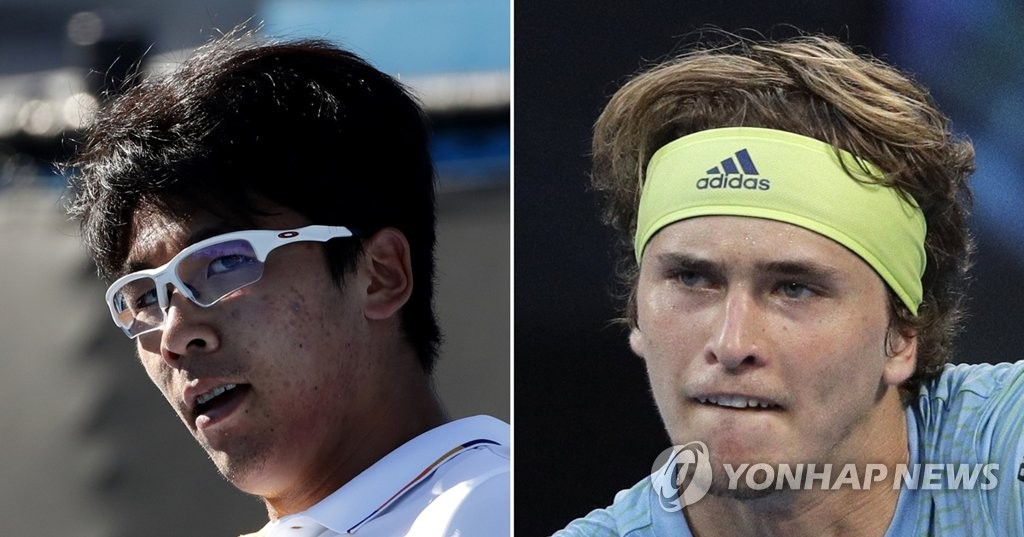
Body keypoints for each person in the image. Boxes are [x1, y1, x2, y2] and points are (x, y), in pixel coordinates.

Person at [556, 34, 1023, 536]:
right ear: (637, 313)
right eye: (691, 278)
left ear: (903, 333)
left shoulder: (1003, 451)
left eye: (795, 288)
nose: (732, 345)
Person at [63, 29, 509, 537]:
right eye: (145, 295)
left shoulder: (485, 508)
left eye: (224, 262)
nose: (174, 334)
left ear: (381, 275)